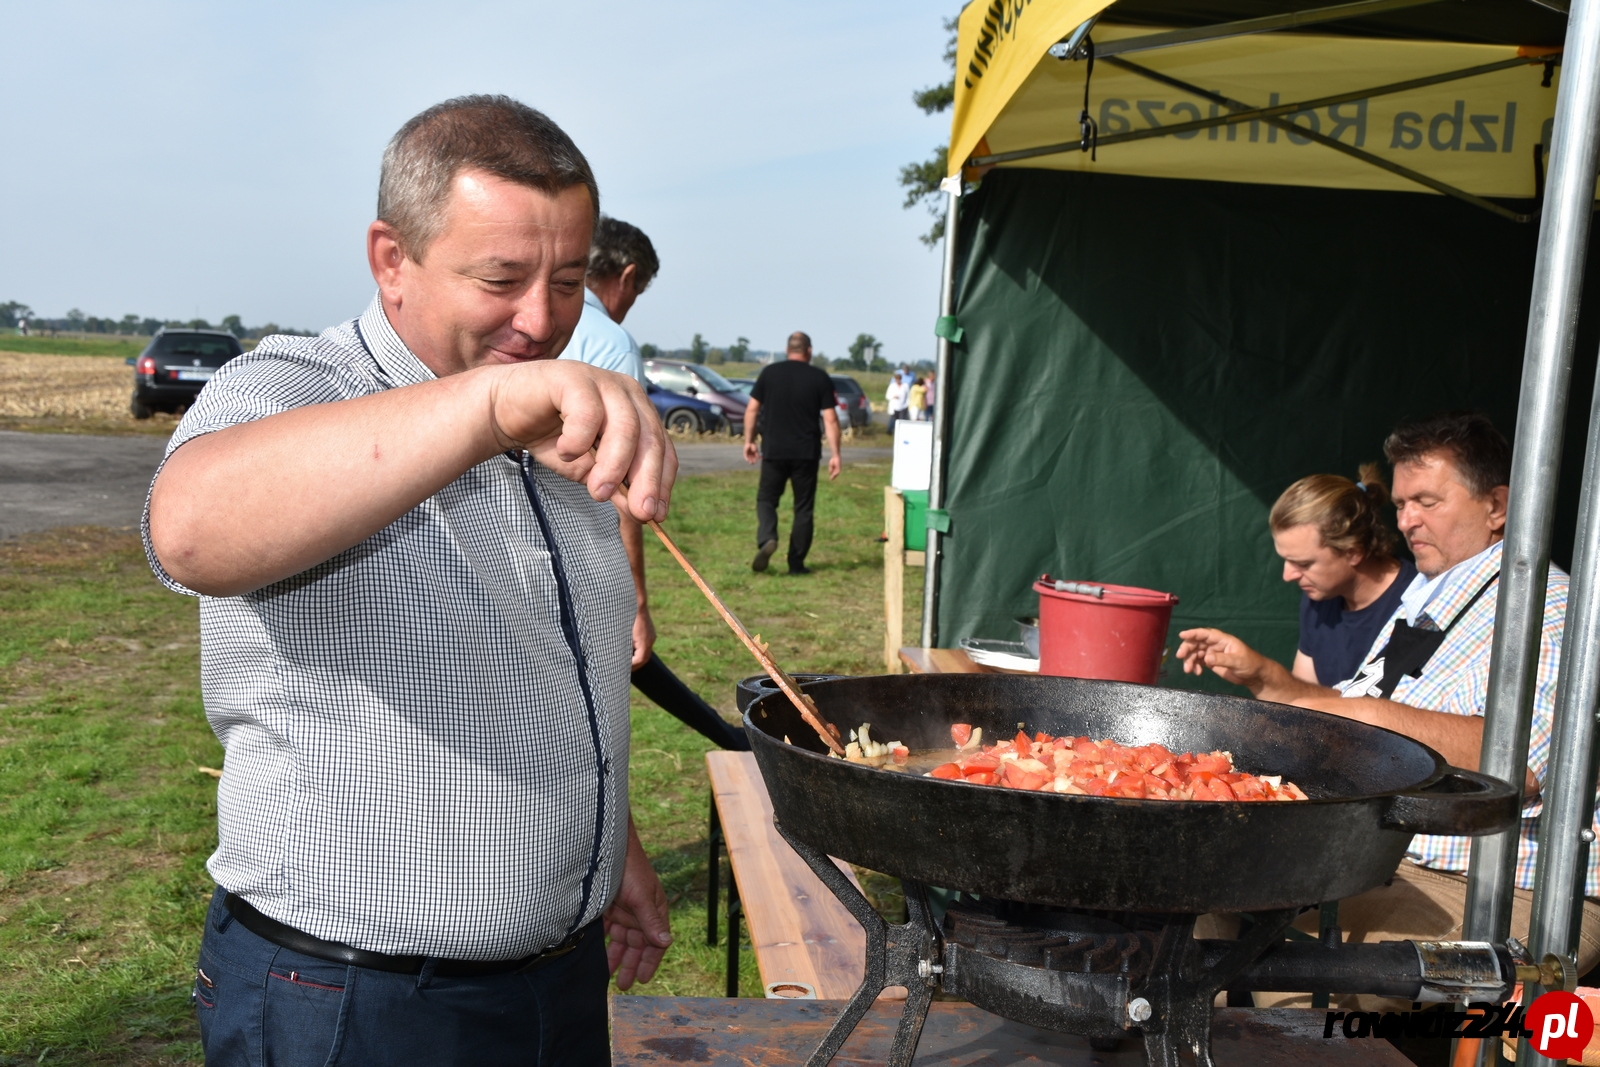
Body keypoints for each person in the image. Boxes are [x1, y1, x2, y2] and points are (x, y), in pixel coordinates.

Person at [143, 95, 677, 1064]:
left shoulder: (542, 419)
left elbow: (551, 663)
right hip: (354, 1001)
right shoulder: (296, 384)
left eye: (566, 281)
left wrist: (614, 846)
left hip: (557, 975)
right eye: (501, 278)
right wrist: (489, 402)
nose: (542, 318)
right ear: (392, 258)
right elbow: (190, 531)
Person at [1178, 412, 1600, 982]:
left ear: (1497, 507)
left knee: (1267, 974)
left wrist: (1362, 718)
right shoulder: (1431, 593)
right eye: (1401, 505)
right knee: (1187, 901)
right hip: (1385, 855)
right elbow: (1352, 704)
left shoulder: (1547, 609)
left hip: (1495, 882)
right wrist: (1268, 684)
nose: (1406, 521)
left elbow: (1522, 764)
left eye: (1426, 501)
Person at [560, 216, 745, 751]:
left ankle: (727, 736)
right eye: (636, 292)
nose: (631, 302)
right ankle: (728, 739)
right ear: (627, 275)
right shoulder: (610, 344)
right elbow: (626, 492)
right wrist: (636, 602)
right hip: (581, 549)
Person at [1272, 464, 1416, 687]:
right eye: (1286, 560)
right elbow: (1302, 703)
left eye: (1303, 563)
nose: (1288, 575)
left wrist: (1263, 673)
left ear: (1353, 552)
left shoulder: (1418, 606)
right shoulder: (1317, 600)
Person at [743, 331, 841, 575]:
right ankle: (796, 564)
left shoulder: (769, 373)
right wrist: (836, 454)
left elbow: (752, 410)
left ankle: (767, 538)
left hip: (774, 450)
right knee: (803, 508)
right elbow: (830, 420)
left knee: (766, 499)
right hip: (806, 453)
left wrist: (749, 440)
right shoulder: (819, 377)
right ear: (809, 351)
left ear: (788, 350)